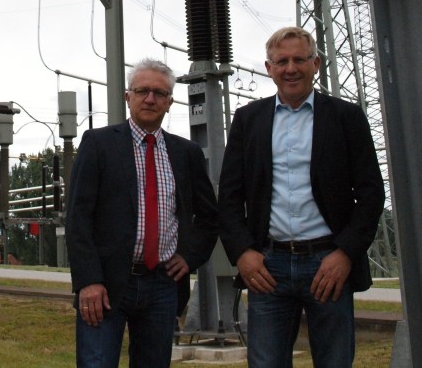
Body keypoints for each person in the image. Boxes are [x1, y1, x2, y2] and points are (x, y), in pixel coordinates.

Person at [218, 27, 384, 367]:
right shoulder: (248, 120)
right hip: (268, 268)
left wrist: (346, 253)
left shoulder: (345, 117)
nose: (290, 68)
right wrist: (243, 254)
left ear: (316, 64)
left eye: (299, 59)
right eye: (281, 61)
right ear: (269, 68)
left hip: (328, 266)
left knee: (334, 361)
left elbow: (370, 192)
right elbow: (230, 196)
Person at [67, 58, 218, 368]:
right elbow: (78, 218)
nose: (150, 99)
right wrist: (88, 281)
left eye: (159, 93)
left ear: (169, 102)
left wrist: (190, 256)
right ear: (128, 97)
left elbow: (209, 216)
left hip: (162, 285)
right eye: (143, 91)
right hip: (106, 286)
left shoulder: (186, 153)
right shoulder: (98, 144)